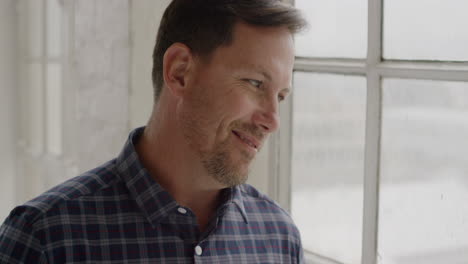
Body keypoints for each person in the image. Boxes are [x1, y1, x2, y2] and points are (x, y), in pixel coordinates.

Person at [0, 0, 307, 263]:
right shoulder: (44, 239)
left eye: (280, 96)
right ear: (180, 72)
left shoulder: (280, 238)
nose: (273, 120)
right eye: (255, 83)